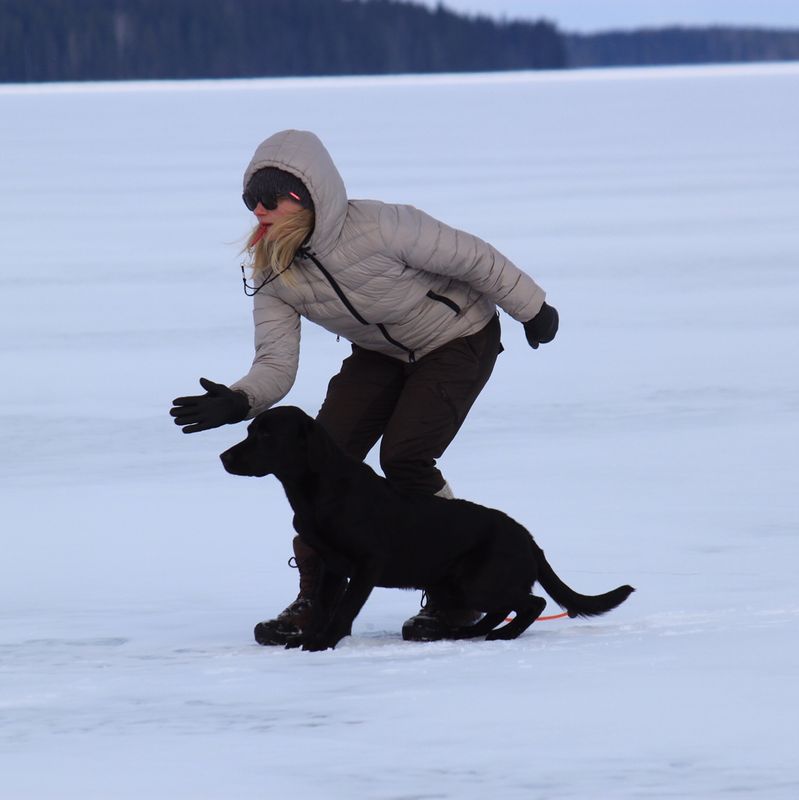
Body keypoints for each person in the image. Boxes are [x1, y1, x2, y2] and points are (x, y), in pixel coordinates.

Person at [170, 129, 558, 645]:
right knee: (320, 457)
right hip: (382, 354)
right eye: (251, 200)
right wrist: (242, 399)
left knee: (405, 457)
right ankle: (316, 599)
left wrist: (532, 308)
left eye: (272, 197)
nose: (260, 209)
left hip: (458, 337)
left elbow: (474, 258)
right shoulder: (272, 267)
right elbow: (276, 360)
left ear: (311, 197)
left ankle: (452, 594)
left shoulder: (382, 227)